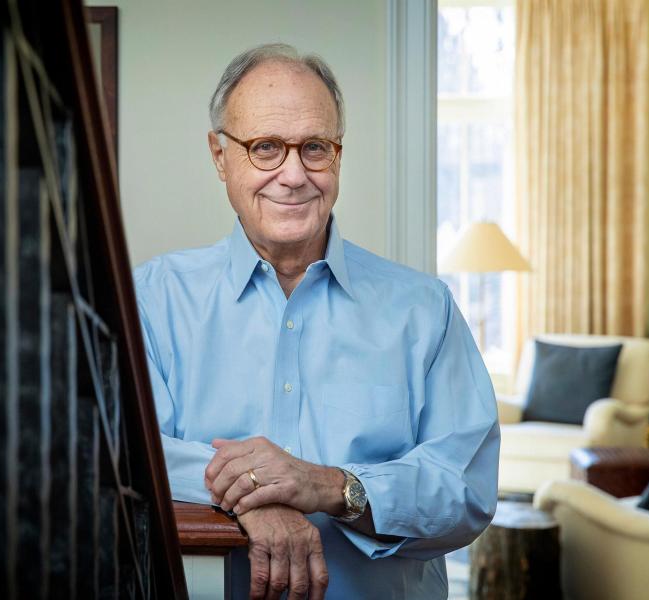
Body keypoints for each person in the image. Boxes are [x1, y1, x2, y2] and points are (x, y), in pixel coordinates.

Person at [133, 43, 500, 599]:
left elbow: (465, 488)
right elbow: (126, 451)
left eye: (314, 148)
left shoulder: (424, 309)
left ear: (338, 156)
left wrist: (330, 486)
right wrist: (257, 499)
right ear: (219, 156)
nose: (293, 174)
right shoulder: (153, 298)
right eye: (265, 148)